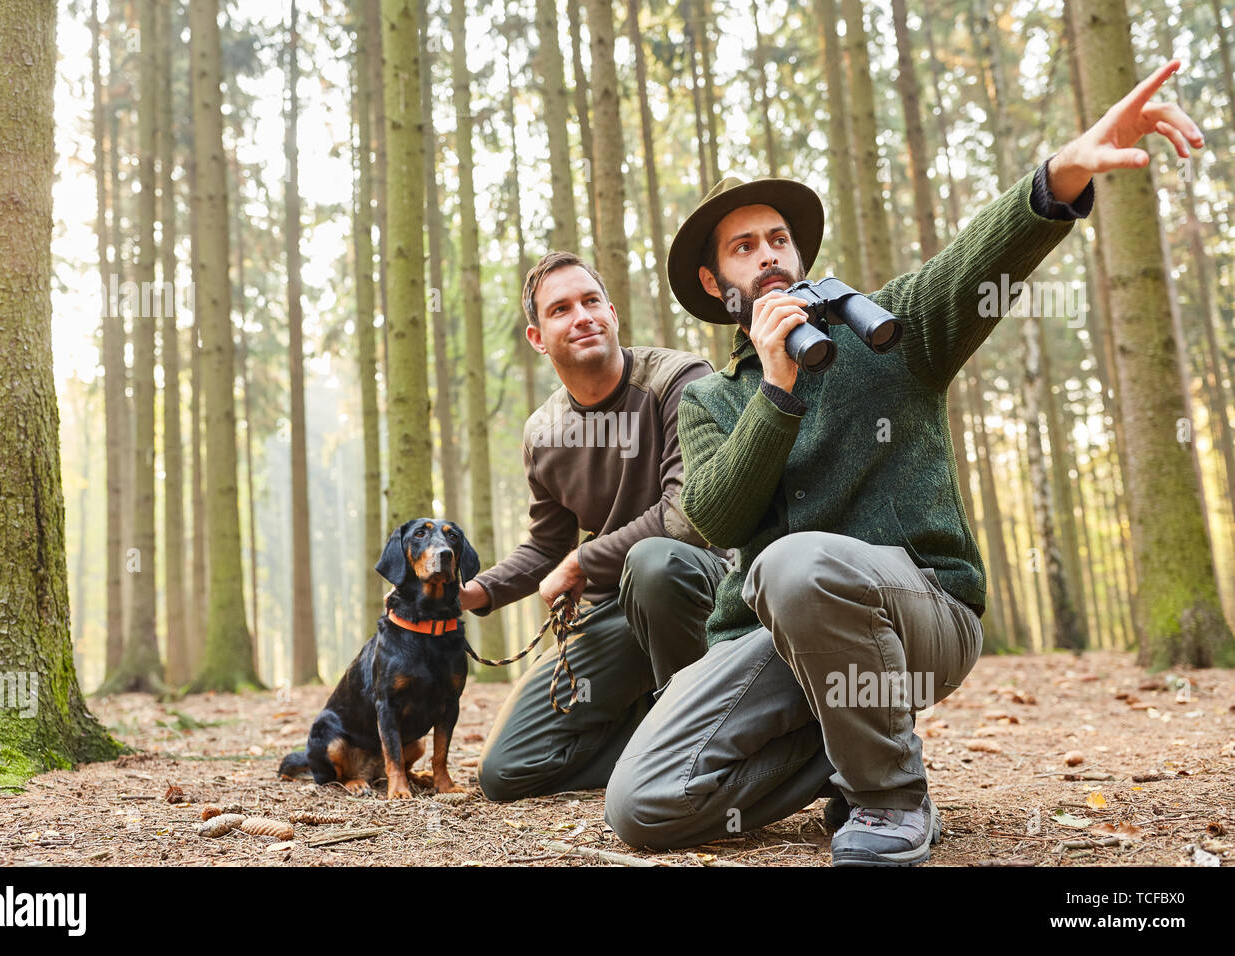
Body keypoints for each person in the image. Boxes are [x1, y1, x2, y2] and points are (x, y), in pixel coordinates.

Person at [604, 60, 1205, 865]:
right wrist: (776, 389)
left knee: (794, 564)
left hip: (922, 616)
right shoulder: (712, 399)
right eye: (746, 249)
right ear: (719, 286)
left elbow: (976, 261)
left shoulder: (892, 330)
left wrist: (1060, 175)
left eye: (779, 239)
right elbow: (713, 515)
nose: (770, 256)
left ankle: (890, 800)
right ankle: (851, 752)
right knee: (641, 804)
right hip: (777, 639)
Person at [461, 251, 727, 801]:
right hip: (610, 613)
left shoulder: (681, 380)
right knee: (505, 771)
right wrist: (474, 592)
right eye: (560, 309)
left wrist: (582, 562)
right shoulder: (543, 433)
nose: (580, 316)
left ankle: (703, 741)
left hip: (699, 590)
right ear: (538, 338)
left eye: (590, 302)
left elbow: (688, 516)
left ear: (612, 313)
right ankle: (651, 747)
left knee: (653, 563)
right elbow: (546, 546)